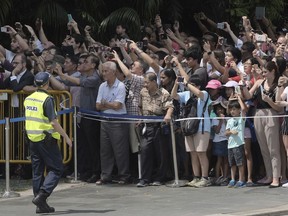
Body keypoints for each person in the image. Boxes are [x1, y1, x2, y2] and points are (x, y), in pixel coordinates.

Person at [24, 72, 72, 213]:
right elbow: (53, 122)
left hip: (32, 139)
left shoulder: (29, 98)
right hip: (46, 139)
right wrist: (66, 137)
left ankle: (41, 206)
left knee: (37, 171)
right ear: (47, 84)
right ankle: (42, 195)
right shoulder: (47, 99)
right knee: (56, 169)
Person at [171, 74, 211, 188]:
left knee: (201, 153)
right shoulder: (186, 94)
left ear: (198, 85)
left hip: (202, 127)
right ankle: (196, 177)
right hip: (189, 127)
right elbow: (174, 96)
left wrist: (187, 83)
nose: (189, 87)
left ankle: (205, 178)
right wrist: (176, 84)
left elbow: (198, 94)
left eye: (193, 85)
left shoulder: (204, 93)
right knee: (193, 154)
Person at [96, 61, 131, 185]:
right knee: (105, 150)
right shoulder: (102, 86)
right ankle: (106, 175)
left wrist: (106, 104)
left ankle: (124, 175)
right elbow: (98, 106)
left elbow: (117, 105)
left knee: (120, 150)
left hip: (118, 121)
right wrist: (109, 105)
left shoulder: (120, 86)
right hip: (105, 120)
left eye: (106, 71)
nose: (103, 73)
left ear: (113, 72)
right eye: (103, 71)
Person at [136, 72, 174, 187]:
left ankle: (160, 177)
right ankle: (145, 178)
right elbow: (140, 107)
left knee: (161, 153)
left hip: (159, 126)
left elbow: (170, 106)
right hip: (146, 126)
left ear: (153, 82)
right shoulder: (143, 92)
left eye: (147, 82)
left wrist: (167, 115)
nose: (145, 85)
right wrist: (140, 118)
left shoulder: (163, 93)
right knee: (145, 151)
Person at [225, 96, 247, 188]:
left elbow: (244, 109)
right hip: (230, 145)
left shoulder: (241, 119)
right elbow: (226, 133)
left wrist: (239, 99)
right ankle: (233, 179)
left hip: (239, 144)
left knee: (240, 163)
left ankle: (241, 180)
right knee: (232, 163)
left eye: (234, 109)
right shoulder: (229, 120)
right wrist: (231, 132)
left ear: (238, 110)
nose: (232, 111)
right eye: (231, 110)